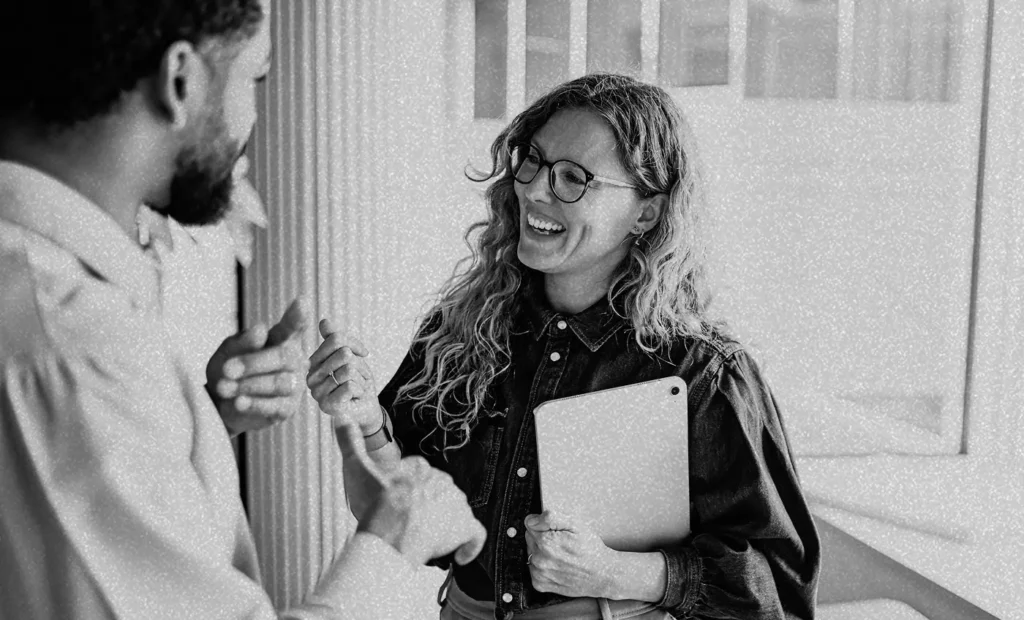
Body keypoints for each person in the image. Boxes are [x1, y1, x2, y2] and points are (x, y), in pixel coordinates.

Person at [0, 1, 485, 619]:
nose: (253, 117)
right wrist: (395, 538)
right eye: (255, 79)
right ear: (181, 80)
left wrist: (192, 421)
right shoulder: (74, 346)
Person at [308, 73, 821, 619]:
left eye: (573, 178)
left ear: (646, 213)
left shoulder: (705, 373)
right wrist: (364, 422)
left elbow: (778, 586)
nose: (533, 189)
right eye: (532, 161)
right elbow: (406, 518)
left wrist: (616, 572)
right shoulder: (459, 329)